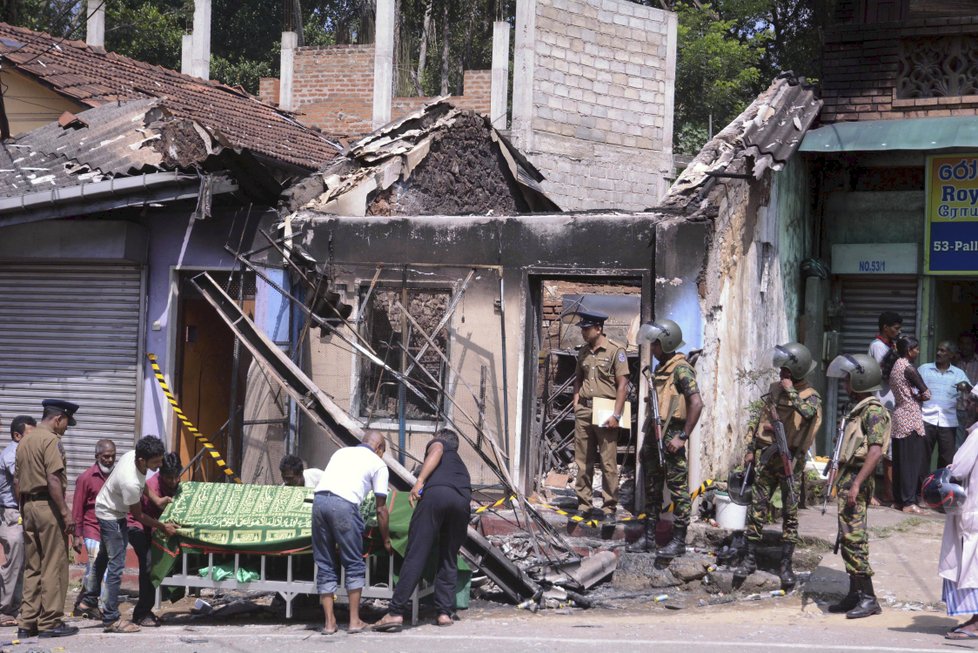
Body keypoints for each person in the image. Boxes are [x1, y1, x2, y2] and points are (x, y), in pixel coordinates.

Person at [735, 343, 822, 587]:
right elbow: (760, 419)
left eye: (785, 370)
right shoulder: (774, 390)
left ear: (796, 371)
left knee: (790, 514)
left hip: (790, 461)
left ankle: (786, 565)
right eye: (781, 370)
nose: (781, 374)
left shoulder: (811, 396)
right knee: (757, 508)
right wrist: (751, 450)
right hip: (767, 457)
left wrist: (791, 392)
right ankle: (749, 558)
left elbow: (807, 414)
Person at [373, 428, 472, 632]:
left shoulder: (439, 445)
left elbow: (436, 451)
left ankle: (395, 612)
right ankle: (444, 613)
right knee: (448, 557)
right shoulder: (460, 465)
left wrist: (419, 482)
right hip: (462, 502)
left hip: (436, 496)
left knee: (416, 554)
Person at [825, 354, 891, 619]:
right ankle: (854, 594)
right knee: (846, 539)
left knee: (855, 539)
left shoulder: (873, 412)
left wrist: (856, 484)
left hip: (857, 480)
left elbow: (875, 453)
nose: (844, 384)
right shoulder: (857, 409)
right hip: (847, 478)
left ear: (860, 380)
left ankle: (868, 598)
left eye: (848, 379)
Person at [630, 319, 703, 559]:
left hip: (672, 435)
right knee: (652, 488)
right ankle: (649, 537)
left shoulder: (681, 368)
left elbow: (696, 403)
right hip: (655, 434)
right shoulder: (661, 368)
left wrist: (683, 437)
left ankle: (679, 540)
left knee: (678, 490)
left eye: (655, 344)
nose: (651, 349)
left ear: (666, 343)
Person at [95, 435, 178, 633]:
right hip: (114, 517)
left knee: (104, 558)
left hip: (118, 513)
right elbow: (139, 515)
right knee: (119, 566)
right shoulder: (130, 481)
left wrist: (157, 500)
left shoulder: (134, 456)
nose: (159, 465)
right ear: (142, 460)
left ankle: (88, 600)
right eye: (156, 462)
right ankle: (112, 619)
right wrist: (163, 526)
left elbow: (143, 482)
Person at [311, 431, 390, 635]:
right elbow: (380, 508)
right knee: (354, 562)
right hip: (344, 506)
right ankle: (354, 621)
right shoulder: (378, 463)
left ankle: (329, 624)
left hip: (319, 502)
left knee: (325, 563)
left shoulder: (341, 453)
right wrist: (386, 539)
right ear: (380, 449)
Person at [15, 399, 79, 638]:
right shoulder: (50, 440)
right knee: (53, 564)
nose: (65, 428)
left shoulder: (24, 441)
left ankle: (27, 622)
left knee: (33, 566)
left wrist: (24, 510)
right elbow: (53, 479)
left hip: (29, 507)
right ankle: (50, 621)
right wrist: (66, 513)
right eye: (65, 424)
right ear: (57, 419)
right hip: (48, 507)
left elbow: (17, 481)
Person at [572, 309, 629, 522]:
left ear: (598, 328)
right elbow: (578, 377)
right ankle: (584, 504)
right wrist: (576, 400)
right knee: (582, 459)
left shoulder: (616, 351)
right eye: (583, 329)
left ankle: (609, 507)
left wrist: (616, 414)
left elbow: (622, 384)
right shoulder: (583, 352)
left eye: (586, 329)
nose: (583, 333)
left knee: (608, 461)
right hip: (585, 409)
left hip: (606, 409)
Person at [939, 386, 978, 640]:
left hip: (973, 512)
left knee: (972, 567)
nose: (968, 404)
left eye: (973, 400)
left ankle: (976, 624)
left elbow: (960, 469)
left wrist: (948, 469)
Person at [126, 451, 180, 627]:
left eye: (176, 477)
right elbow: (140, 516)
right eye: (169, 478)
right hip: (137, 526)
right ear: (160, 474)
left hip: (154, 529)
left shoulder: (177, 486)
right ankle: (141, 613)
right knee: (148, 565)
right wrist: (163, 527)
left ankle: (147, 608)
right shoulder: (151, 486)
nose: (173, 482)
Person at [71, 438, 116, 618]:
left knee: (96, 569)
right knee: (99, 568)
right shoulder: (86, 478)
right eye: (106, 457)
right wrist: (76, 535)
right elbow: (77, 507)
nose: (110, 460)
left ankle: (84, 601)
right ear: (97, 456)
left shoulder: (116, 476)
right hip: (92, 529)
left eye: (113, 456)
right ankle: (104, 608)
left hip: (111, 529)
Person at [889, 336, 930, 513]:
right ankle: (908, 502)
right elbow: (927, 393)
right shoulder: (908, 368)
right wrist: (919, 396)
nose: (918, 352)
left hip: (898, 415)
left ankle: (899, 500)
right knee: (911, 462)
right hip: (910, 417)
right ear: (909, 350)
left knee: (900, 461)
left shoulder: (895, 366)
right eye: (916, 349)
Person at [0, 415, 34, 625]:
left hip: (17, 512)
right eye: (30, 435)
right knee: (14, 562)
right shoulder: (13, 453)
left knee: (21, 561)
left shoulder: (21, 450)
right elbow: (18, 482)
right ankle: (4, 609)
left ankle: (13, 606)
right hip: (12, 513)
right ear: (17, 435)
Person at [920, 341, 970, 469]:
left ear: (951, 355)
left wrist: (966, 387)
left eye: (943, 351)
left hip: (948, 422)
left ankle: (940, 487)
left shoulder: (958, 374)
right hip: (926, 420)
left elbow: (972, 392)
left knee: (946, 459)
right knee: (922, 457)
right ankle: (921, 488)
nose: (938, 353)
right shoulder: (924, 369)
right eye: (938, 350)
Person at [868, 311, 901, 506]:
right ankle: (870, 493)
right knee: (876, 449)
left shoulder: (889, 346)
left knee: (890, 453)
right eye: (896, 328)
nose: (899, 331)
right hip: (881, 402)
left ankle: (888, 493)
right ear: (885, 328)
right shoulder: (878, 346)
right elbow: (887, 373)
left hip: (891, 403)